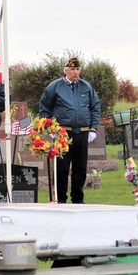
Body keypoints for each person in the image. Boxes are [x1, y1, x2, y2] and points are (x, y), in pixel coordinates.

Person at [39, 57, 101, 204]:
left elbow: (95, 107)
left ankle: (78, 199)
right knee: (62, 168)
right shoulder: (55, 87)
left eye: (77, 69)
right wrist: (49, 128)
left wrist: (93, 129)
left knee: (80, 168)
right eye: (72, 69)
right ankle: (61, 199)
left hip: (83, 132)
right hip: (63, 134)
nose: (75, 72)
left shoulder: (86, 87)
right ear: (65, 70)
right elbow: (44, 108)